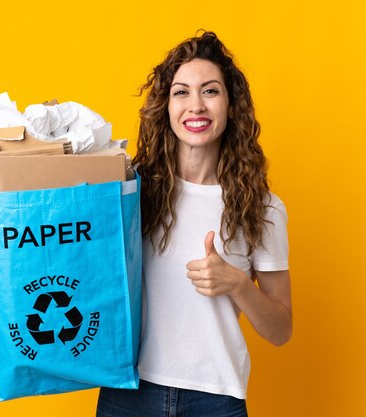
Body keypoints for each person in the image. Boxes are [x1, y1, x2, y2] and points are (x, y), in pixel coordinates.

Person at [95, 31, 292, 417]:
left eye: (211, 91)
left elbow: (281, 330)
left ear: (232, 105)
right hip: (128, 392)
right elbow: (83, 260)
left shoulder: (263, 209)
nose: (195, 106)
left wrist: (236, 283)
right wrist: (13, 283)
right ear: (166, 106)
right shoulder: (131, 190)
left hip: (215, 399)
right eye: (181, 92)